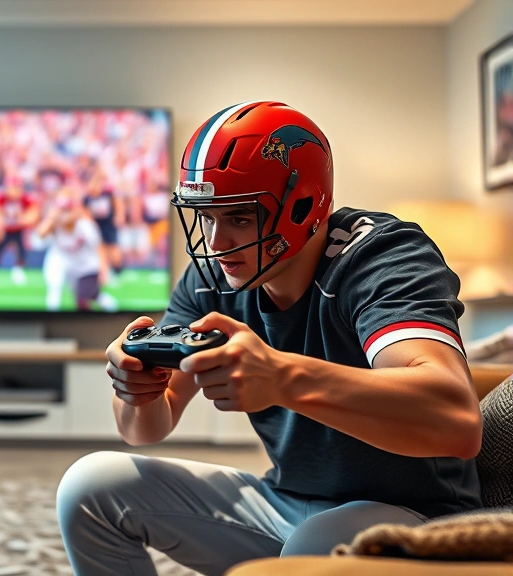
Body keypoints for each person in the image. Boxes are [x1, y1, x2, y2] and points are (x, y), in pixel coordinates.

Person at [56, 101, 483, 576]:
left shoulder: (381, 254)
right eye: (207, 216)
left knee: (313, 544)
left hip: (415, 517)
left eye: (239, 217)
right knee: (90, 485)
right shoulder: (212, 280)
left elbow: (456, 421)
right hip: (284, 501)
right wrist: (137, 389)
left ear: (303, 206)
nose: (217, 243)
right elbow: (146, 430)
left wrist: (282, 377)